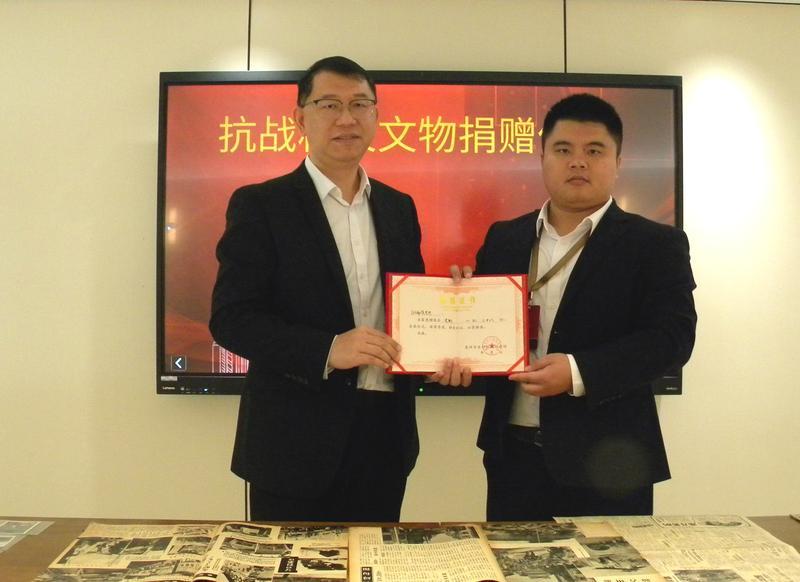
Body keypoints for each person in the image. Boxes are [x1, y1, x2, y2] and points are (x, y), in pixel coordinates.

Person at [210, 56, 466, 522]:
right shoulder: (262, 205)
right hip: (292, 443)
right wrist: (328, 349)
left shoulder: (398, 208)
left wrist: (452, 317)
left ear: (376, 115)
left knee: (377, 558)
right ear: (300, 118)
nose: (347, 118)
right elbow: (232, 319)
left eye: (359, 104)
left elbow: (409, 311)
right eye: (329, 105)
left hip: (385, 436)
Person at [473, 93, 697, 519]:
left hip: (611, 462)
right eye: (563, 150)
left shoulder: (655, 244)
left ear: (617, 162)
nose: (578, 162)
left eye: (594, 151)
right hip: (512, 457)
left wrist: (578, 372)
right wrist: (456, 311)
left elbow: (672, 340)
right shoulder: (504, 238)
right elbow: (479, 330)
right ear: (542, 158)